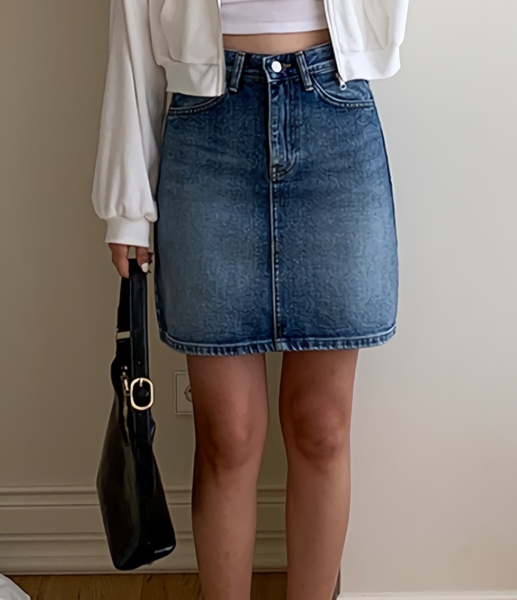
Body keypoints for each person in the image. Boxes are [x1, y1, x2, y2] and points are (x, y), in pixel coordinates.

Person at [91, 1, 409, 598]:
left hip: (334, 112)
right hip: (207, 127)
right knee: (228, 436)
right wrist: (127, 206)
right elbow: (131, 20)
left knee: (322, 428)